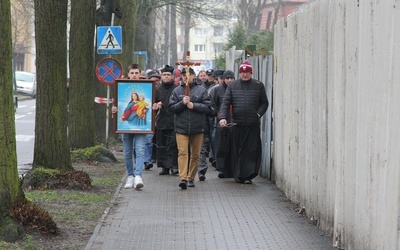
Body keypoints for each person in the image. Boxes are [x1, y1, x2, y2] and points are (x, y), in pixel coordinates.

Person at [219, 61, 269, 184]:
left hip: (252, 125)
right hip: (237, 124)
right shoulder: (232, 86)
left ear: (251, 73)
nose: (244, 75)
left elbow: (264, 103)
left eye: (247, 72)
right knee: (237, 151)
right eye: (242, 72)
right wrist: (223, 117)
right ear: (239, 73)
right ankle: (238, 174)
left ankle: (248, 175)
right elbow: (226, 103)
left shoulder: (258, 85)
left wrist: (257, 114)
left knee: (250, 151)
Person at [169, 67, 212, 189]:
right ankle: (183, 178)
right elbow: (171, 108)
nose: (185, 77)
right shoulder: (177, 91)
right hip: (181, 127)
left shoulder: (201, 91)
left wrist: (194, 105)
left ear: (194, 76)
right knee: (182, 152)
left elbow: (208, 107)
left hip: (197, 127)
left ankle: (191, 177)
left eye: (188, 75)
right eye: (183, 75)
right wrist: (182, 103)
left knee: (195, 154)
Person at [112, 63, 147, 189]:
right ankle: (130, 176)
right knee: (127, 152)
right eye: (132, 73)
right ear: (128, 74)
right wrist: (115, 109)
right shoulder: (121, 87)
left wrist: (155, 107)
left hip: (141, 126)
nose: (134, 75)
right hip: (126, 126)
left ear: (140, 73)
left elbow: (151, 104)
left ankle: (138, 176)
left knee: (140, 150)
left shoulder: (148, 86)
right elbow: (119, 106)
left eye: (136, 73)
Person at [152, 65, 179, 176]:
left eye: (168, 75)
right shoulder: (157, 89)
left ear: (172, 76)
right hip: (161, 120)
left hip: (174, 121)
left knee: (173, 145)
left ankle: (174, 166)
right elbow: (151, 104)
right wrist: (155, 106)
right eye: (164, 75)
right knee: (161, 144)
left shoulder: (177, 89)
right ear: (161, 76)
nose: (166, 77)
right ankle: (164, 167)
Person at [209, 70, 235, 178]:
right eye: (227, 78)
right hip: (222, 122)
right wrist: (218, 114)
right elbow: (212, 104)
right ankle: (222, 169)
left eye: (231, 78)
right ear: (223, 79)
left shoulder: (237, 88)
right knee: (221, 146)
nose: (229, 80)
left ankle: (233, 168)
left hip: (234, 121)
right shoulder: (217, 90)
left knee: (233, 146)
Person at [197, 69, 217, 181]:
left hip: (203, 124)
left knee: (202, 149)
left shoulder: (207, 92)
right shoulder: (179, 91)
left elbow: (211, 109)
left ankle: (201, 171)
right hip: (187, 126)